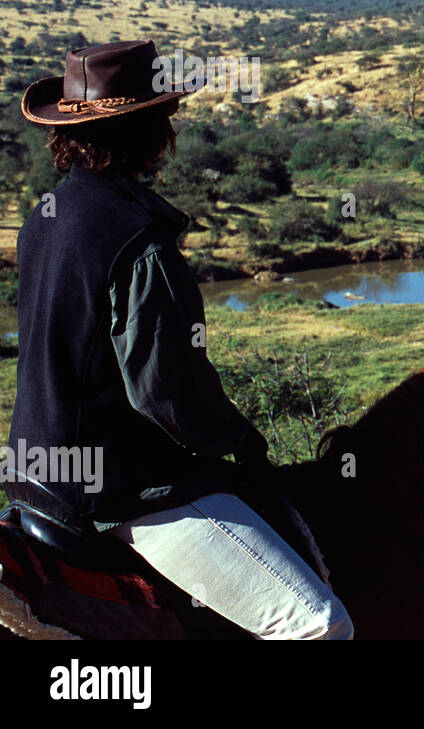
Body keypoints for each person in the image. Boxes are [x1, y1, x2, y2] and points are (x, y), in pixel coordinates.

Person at [8, 39, 352, 639]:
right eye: (164, 117)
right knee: (319, 626)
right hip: (121, 492)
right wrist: (236, 437)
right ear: (147, 130)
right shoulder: (140, 238)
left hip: (36, 472)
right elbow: (164, 391)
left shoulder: (43, 217)